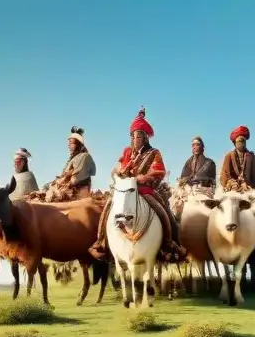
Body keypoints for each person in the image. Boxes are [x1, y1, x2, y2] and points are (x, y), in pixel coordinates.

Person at [89, 108, 185, 263]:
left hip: (145, 190)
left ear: (146, 137)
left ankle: (169, 243)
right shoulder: (127, 152)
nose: (136, 139)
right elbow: (117, 168)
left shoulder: (154, 152)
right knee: (107, 206)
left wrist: (143, 177)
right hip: (125, 189)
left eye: (139, 136)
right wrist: (121, 171)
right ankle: (100, 242)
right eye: (134, 136)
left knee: (163, 211)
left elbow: (159, 170)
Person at [38, 127, 97, 202]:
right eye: (68, 143)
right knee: (45, 187)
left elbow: (74, 180)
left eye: (71, 143)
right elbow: (64, 175)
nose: (68, 145)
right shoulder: (73, 158)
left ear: (78, 144)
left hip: (77, 192)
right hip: (67, 188)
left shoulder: (84, 156)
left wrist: (58, 185)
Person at [219, 125, 255, 192]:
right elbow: (224, 175)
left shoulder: (252, 156)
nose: (242, 143)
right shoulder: (228, 156)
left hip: (250, 189)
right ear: (235, 143)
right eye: (240, 141)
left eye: (243, 141)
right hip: (233, 190)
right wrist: (232, 183)